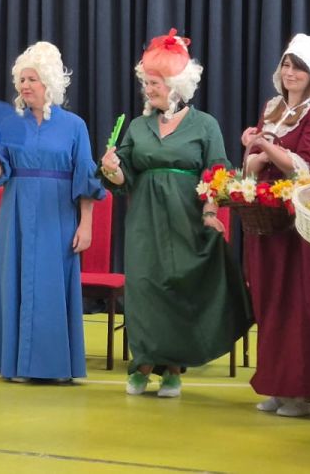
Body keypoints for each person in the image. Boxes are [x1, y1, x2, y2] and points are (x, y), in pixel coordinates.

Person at [98, 30, 251, 396]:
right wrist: (111, 168)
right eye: (147, 82)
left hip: (187, 219)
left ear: (176, 86)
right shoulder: (138, 126)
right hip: (145, 219)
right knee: (144, 287)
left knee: (179, 290)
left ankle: (172, 369)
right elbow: (124, 176)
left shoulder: (205, 125)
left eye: (155, 83)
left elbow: (217, 171)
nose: (148, 89)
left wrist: (211, 211)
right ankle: (142, 364)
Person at [0, 41, 105, 382]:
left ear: (49, 82)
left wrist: (86, 224)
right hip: (16, 214)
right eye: (22, 79)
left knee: (50, 287)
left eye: (32, 79)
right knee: (14, 282)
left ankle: (52, 366)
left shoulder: (74, 126)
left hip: (57, 216)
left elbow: (86, 178)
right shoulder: (10, 124)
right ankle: (15, 364)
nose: (25, 85)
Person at [239, 33, 310, 417]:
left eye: (298, 67)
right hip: (268, 218)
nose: (290, 72)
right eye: (286, 64)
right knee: (271, 301)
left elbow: (308, 166)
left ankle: (304, 392)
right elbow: (252, 162)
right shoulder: (273, 108)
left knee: (299, 303)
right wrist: (256, 151)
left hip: (297, 222)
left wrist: (266, 148)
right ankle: (278, 384)